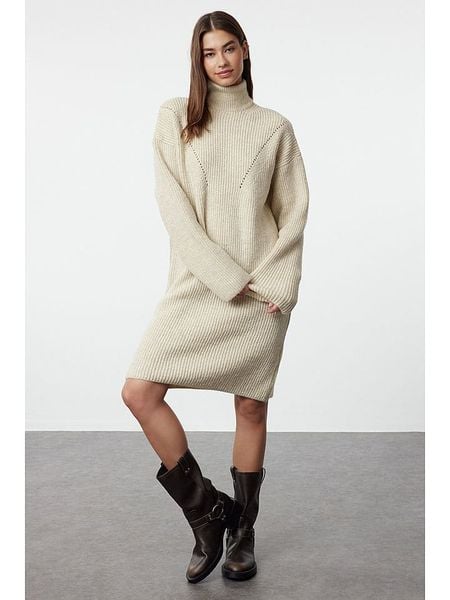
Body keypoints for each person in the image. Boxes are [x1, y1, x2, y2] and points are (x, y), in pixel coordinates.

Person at [121, 10, 309, 584]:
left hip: (260, 291)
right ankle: (208, 513)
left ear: (245, 49)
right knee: (139, 392)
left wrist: (280, 281)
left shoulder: (274, 128)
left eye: (229, 48)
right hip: (198, 283)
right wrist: (227, 277)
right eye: (209, 53)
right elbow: (174, 213)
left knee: (250, 406)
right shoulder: (175, 117)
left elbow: (292, 213)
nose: (221, 61)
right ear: (197, 60)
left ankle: (243, 534)